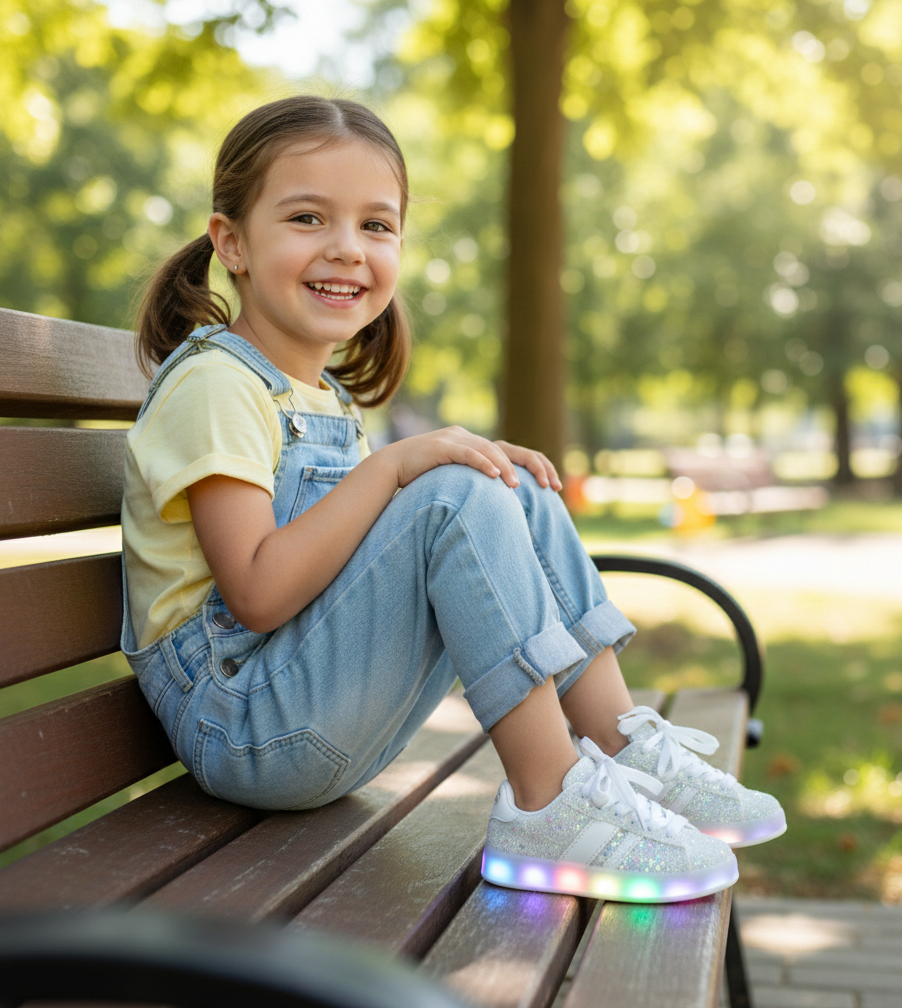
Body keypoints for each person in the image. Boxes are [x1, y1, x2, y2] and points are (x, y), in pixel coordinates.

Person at [122, 95, 784, 905]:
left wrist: (442, 476)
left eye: (377, 225)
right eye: (306, 218)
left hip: (307, 712)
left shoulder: (322, 397)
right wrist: (395, 468)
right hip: (246, 727)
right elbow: (257, 595)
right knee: (448, 490)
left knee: (508, 480)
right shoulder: (217, 386)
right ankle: (548, 799)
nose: (346, 249)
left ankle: (620, 744)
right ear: (232, 243)